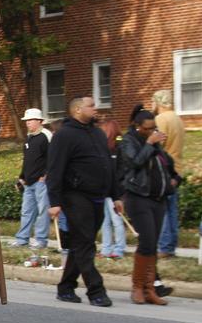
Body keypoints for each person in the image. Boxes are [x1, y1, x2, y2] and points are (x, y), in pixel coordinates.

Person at [46, 96, 122, 307]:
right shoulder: (64, 135)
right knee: (85, 243)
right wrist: (54, 201)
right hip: (75, 196)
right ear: (78, 109)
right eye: (91, 106)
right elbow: (54, 169)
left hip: (98, 197)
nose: (95, 108)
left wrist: (116, 196)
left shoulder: (97, 133)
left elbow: (108, 165)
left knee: (81, 243)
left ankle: (66, 287)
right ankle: (96, 290)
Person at [118, 105, 181, 305]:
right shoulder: (129, 142)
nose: (152, 131)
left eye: (154, 128)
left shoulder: (155, 144)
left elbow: (167, 165)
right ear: (137, 127)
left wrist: (175, 179)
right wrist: (149, 144)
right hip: (138, 197)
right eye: (148, 128)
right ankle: (137, 287)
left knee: (153, 244)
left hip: (158, 198)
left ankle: (150, 288)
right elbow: (135, 163)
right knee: (146, 241)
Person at [11, 108, 52, 249]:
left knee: (42, 212)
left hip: (41, 182)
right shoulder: (29, 137)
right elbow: (27, 160)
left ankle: (41, 240)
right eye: (26, 120)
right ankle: (22, 239)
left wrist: (45, 175)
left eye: (30, 120)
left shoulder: (46, 136)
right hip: (28, 182)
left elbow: (52, 158)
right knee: (27, 211)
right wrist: (22, 177)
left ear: (39, 121)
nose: (27, 123)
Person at [152, 89, 184, 259]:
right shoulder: (178, 118)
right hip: (177, 168)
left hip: (164, 169)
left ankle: (164, 246)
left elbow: (158, 144)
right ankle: (171, 245)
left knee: (162, 209)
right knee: (172, 210)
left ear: (157, 102)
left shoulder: (160, 119)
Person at [98, 118, 126, 259]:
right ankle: (106, 248)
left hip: (116, 191)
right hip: (104, 190)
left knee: (117, 221)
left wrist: (116, 188)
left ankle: (119, 249)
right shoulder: (103, 149)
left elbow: (121, 170)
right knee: (105, 221)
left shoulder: (119, 148)